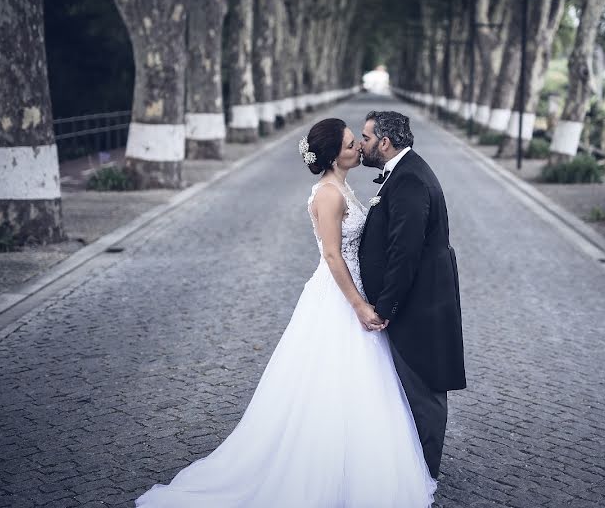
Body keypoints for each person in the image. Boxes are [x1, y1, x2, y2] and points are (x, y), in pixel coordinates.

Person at [135, 118, 436, 507]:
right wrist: (359, 305)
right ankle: (321, 470)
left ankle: (358, 466)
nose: (358, 148)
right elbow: (331, 254)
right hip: (339, 298)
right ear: (331, 156)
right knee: (330, 384)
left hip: (355, 289)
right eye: (349, 144)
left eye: (356, 141)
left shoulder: (342, 185)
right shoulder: (329, 194)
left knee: (359, 383)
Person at [358, 110, 466, 480]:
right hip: (418, 301)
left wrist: (387, 306)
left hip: (420, 305)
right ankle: (411, 469)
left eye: (367, 138)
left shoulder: (409, 180)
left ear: (385, 143)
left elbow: (406, 251)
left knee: (423, 387)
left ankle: (424, 476)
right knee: (410, 388)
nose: (362, 145)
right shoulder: (405, 172)